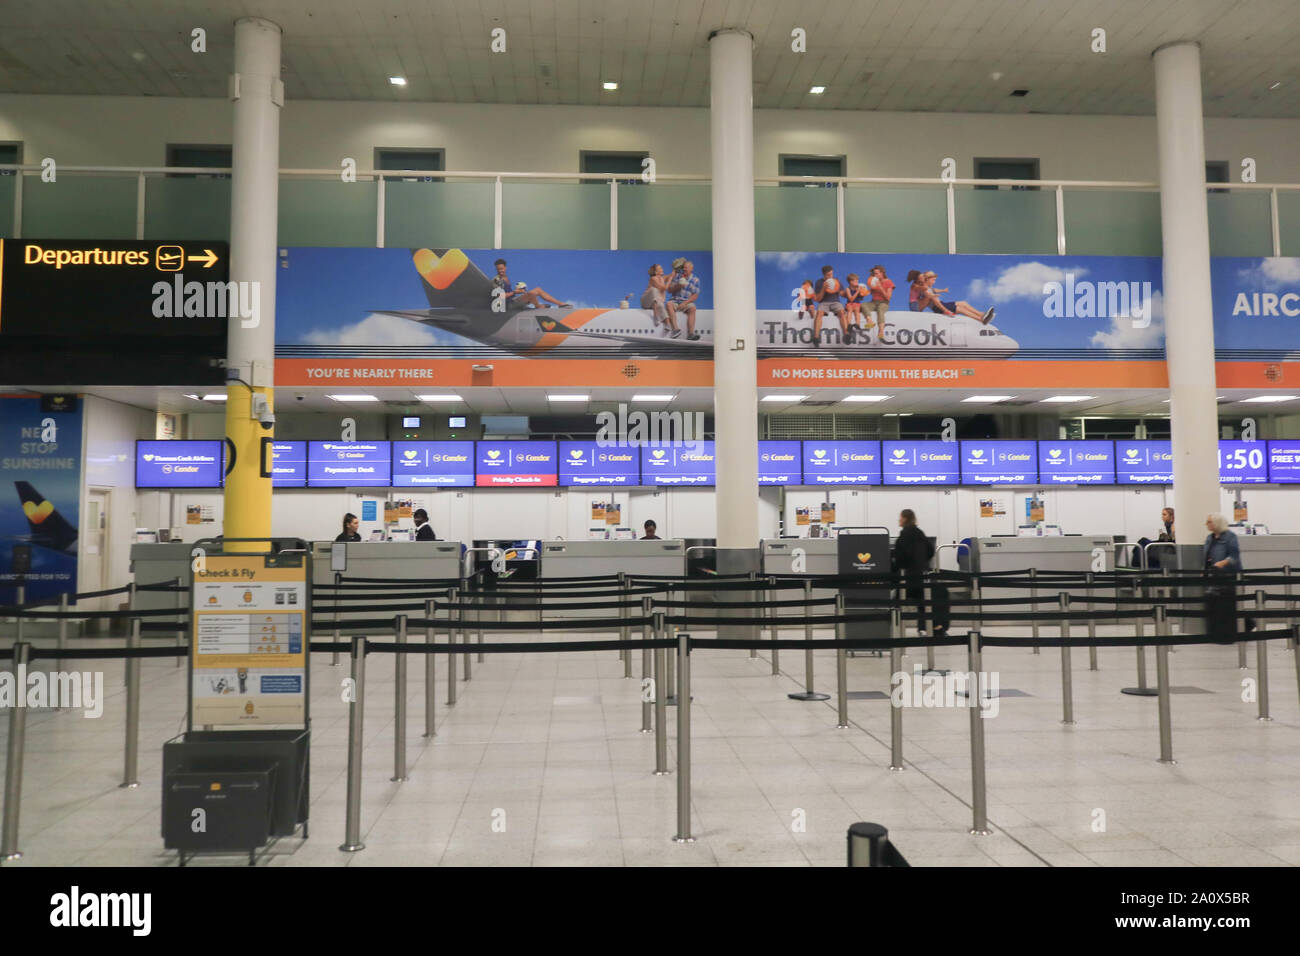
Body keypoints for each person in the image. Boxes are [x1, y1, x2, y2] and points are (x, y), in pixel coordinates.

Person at [893, 509, 937, 635]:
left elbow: (900, 556)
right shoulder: (920, 533)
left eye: (900, 517)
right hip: (921, 574)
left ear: (905, 519)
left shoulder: (904, 535)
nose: (899, 520)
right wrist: (923, 563)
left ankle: (894, 627)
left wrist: (899, 567)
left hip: (907, 575)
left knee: (896, 602)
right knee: (923, 603)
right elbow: (930, 550)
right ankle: (923, 628)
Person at [1203, 512, 1245, 641]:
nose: (1206, 524)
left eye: (1209, 521)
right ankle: (1214, 633)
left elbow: (1234, 557)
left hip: (1228, 576)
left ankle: (1240, 627)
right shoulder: (1210, 538)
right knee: (1213, 604)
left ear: (1217, 523)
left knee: (1227, 605)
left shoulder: (1230, 537)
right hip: (1213, 576)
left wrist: (1222, 563)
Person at [908, 270, 994, 324]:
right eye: (933, 280)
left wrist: (943, 290)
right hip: (939, 308)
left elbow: (934, 290)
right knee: (961, 309)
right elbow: (934, 300)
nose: (934, 281)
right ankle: (980, 319)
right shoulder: (924, 289)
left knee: (963, 303)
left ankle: (982, 314)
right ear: (927, 280)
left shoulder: (928, 288)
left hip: (942, 304)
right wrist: (946, 311)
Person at [491, 257, 570, 310]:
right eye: (498, 269)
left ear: (505, 268)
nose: (500, 271)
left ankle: (560, 304)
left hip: (513, 300)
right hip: (508, 305)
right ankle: (538, 306)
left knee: (538, 289)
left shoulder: (506, 278)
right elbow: (499, 296)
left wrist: (519, 292)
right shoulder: (496, 280)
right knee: (531, 293)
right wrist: (514, 292)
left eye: (501, 269)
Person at [813, 264, 850, 346]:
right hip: (824, 302)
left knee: (842, 312)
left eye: (831, 274)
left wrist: (847, 291)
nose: (830, 276)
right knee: (819, 313)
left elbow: (842, 294)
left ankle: (846, 334)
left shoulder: (836, 281)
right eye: (828, 275)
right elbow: (818, 299)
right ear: (824, 275)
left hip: (835, 301)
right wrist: (823, 288)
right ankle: (816, 337)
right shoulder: (819, 282)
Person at [666, 259, 701, 340]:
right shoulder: (677, 276)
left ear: (691, 269)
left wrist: (685, 303)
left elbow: (695, 296)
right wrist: (678, 286)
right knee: (668, 304)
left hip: (686, 302)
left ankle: (691, 334)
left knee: (693, 308)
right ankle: (675, 329)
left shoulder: (695, 280)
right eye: (684, 267)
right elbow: (669, 290)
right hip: (675, 300)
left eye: (687, 268)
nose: (684, 269)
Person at [864, 264, 894, 335]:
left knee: (880, 310)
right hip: (874, 302)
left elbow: (888, 298)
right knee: (863, 305)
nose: (875, 275)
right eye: (874, 274)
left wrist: (880, 287)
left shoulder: (888, 282)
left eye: (877, 273)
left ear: (882, 273)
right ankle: (870, 321)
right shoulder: (874, 282)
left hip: (884, 302)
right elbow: (869, 292)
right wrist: (863, 291)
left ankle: (881, 331)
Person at [641, 263, 671, 330]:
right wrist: (669, 280)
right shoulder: (653, 278)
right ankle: (655, 315)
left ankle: (667, 324)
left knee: (660, 305)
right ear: (656, 272)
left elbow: (671, 275)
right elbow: (664, 288)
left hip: (655, 302)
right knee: (654, 289)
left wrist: (675, 269)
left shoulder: (662, 278)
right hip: (646, 301)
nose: (662, 269)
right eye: (660, 268)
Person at [842, 273, 870, 338]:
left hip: (857, 303)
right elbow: (851, 299)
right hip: (850, 303)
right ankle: (849, 324)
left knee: (857, 311)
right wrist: (857, 292)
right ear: (850, 282)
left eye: (857, 281)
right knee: (850, 310)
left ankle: (857, 324)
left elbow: (861, 298)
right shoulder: (848, 289)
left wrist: (862, 292)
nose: (857, 282)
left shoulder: (859, 288)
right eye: (855, 281)